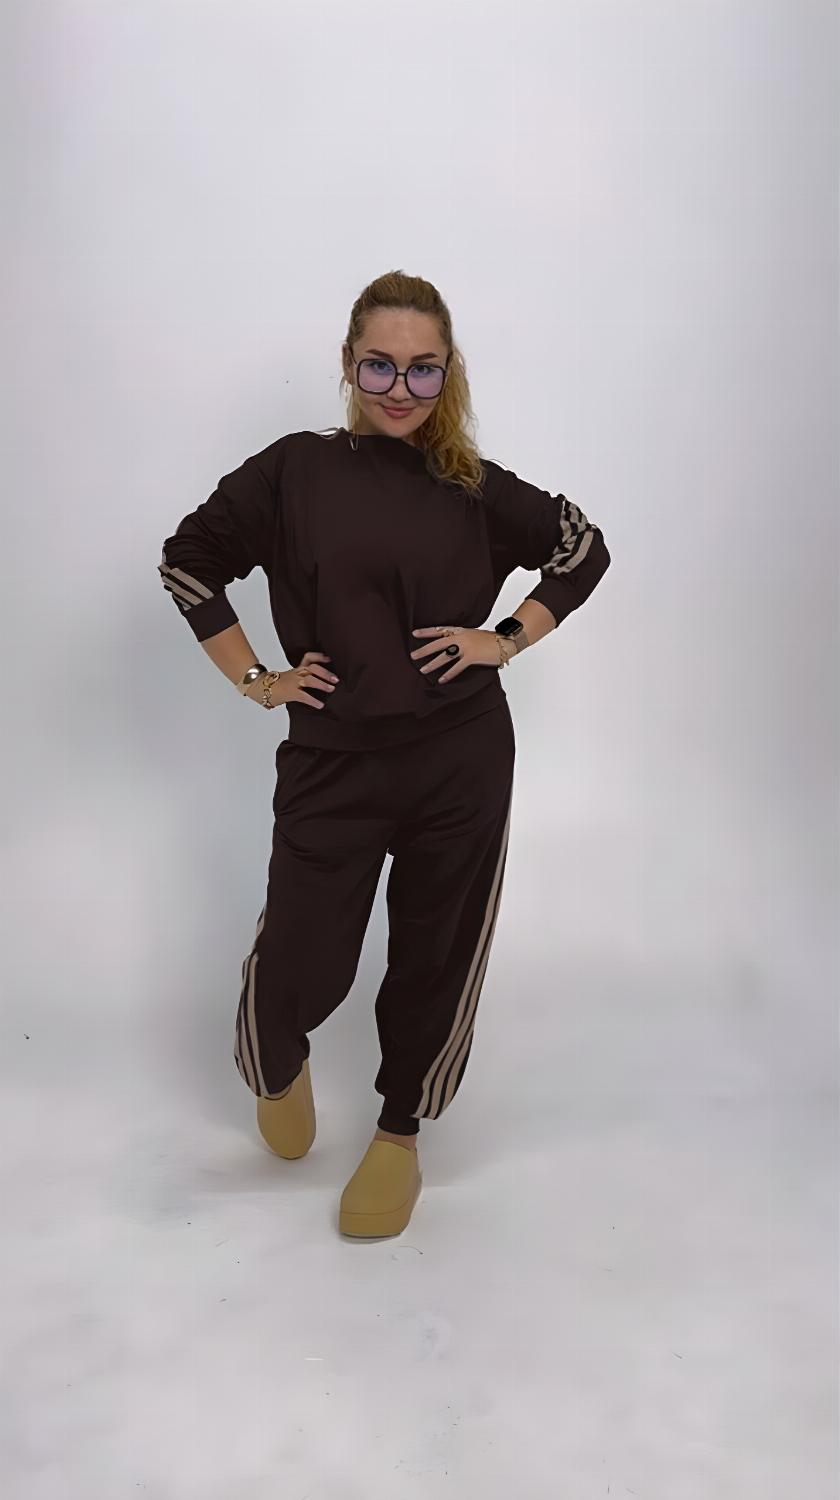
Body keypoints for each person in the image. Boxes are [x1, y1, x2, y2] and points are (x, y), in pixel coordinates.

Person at [157, 269, 611, 1238]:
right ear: (349, 364)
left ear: (447, 371)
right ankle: (276, 1062)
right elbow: (187, 561)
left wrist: (506, 637)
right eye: (380, 365)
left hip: (460, 760)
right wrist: (259, 679)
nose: (401, 388)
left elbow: (581, 548)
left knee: (434, 952)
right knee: (299, 955)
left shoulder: (474, 487)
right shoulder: (293, 472)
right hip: (333, 760)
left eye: (422, 369)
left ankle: (399, 1131)